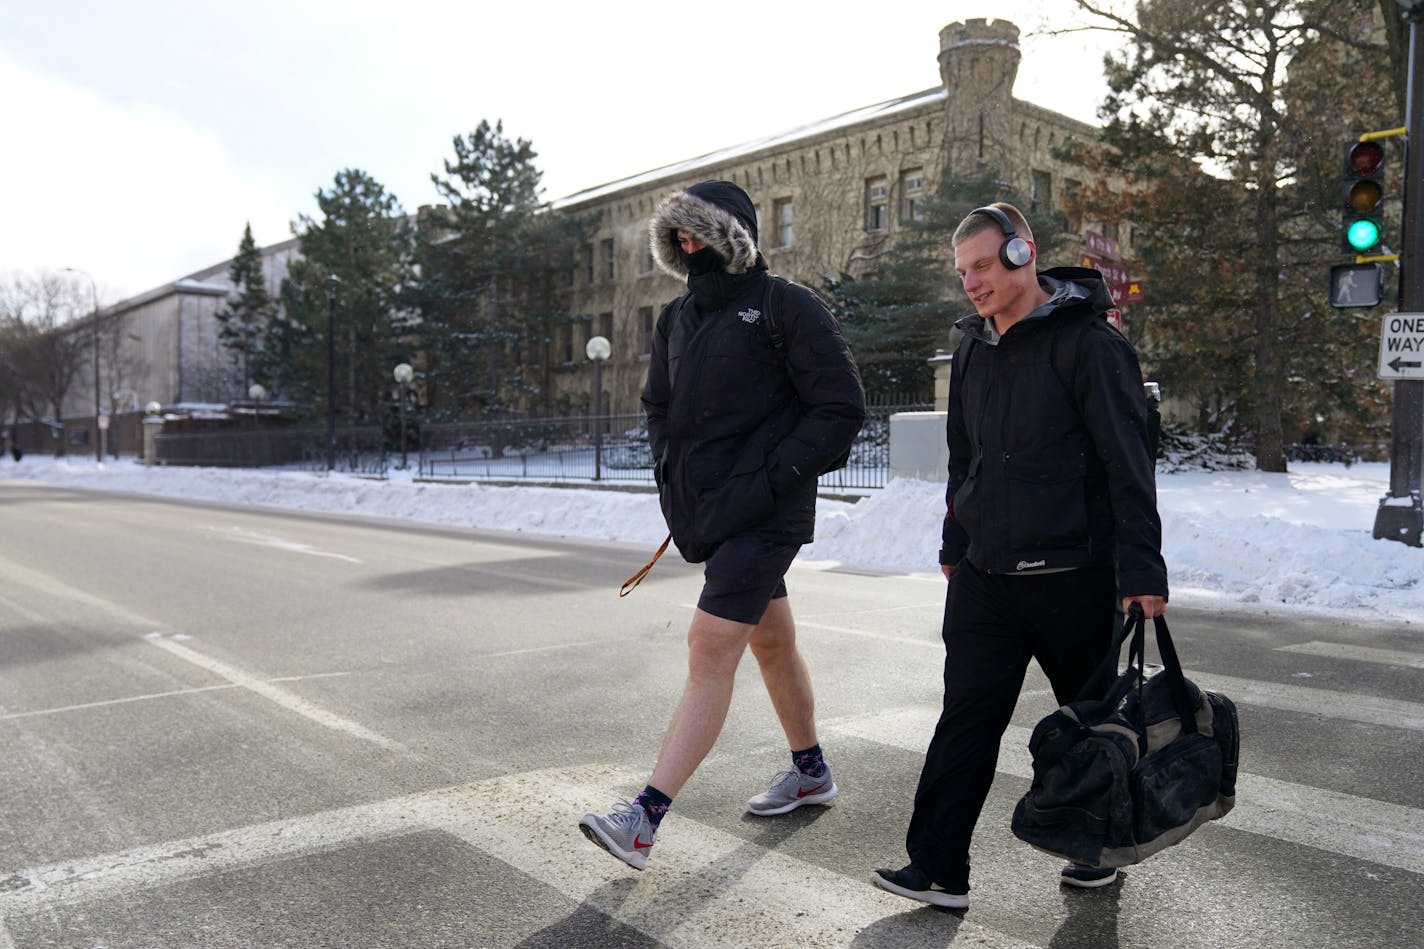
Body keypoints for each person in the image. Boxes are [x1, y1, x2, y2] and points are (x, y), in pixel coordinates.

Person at [871, 203, 1168, 910]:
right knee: (965, 718)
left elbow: (1127, 461)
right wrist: (954, 543)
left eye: (982, 265)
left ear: (1020, 254)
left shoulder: (1088, 344)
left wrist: (1143, 569)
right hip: (987, 577)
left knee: (1091, 726)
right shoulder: (973, 344)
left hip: (1075, 575)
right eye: (963, 271)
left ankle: (1095, 850)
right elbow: (963, 457)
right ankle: (939, 866)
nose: (972, 282)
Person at [579, 180, 866, 870]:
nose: (687, 244)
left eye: (699, 230)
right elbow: (657, 407)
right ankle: (810, 770)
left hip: (768, 513)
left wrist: (769, 478)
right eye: (677, 233)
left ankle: (643, 819)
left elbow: (840, 408)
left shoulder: (783, 306)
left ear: (732, 234)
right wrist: (671, 477)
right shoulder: (675, 319)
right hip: (713, 513)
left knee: (710, 645)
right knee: (771, 642)